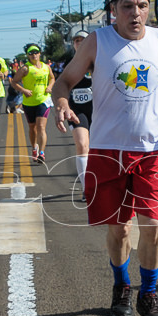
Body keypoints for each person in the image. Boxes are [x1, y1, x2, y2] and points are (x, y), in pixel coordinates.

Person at [53, 0, 158, 316]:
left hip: (153, 151)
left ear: (149, 8)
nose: (135, 13)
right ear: (113, 11)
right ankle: (122, 284)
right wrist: (61, 102)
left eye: (141, 6)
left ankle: (148, 294)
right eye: (127, 6)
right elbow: (64, 81)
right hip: (108, 151)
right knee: (120, 230)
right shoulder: (98, 41)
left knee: (152, 227)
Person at [11, 44, 54, 164]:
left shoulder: (46, 67)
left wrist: (50, 87)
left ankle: (41, 152)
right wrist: (23, 90)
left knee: (41, 127)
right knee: (32, 128)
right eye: (31, 53)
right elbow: (14, 82)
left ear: (40, 53)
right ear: (28, 55)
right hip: (29, 102)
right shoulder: (25, 68)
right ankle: (34, 147)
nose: (34, 55)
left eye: (36, 52)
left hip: (43, 101)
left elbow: (52, 78)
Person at [66, 31, 93, 199]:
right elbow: (60, 86)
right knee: (82, 145)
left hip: (100, 110)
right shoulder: (69, 64)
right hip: (77, 110)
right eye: (77, 40)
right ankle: (87, 189)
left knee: (99, 150)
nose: (80, 43)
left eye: (84, 40)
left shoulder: (101, 61)